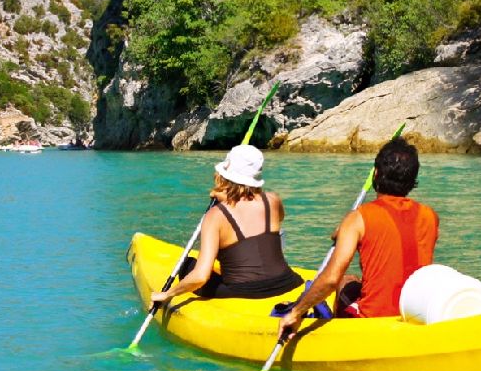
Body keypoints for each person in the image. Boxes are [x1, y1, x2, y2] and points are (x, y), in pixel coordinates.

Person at [279, 136, 438, 335]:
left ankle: (338, 335)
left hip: (373, 321)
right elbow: (397, 238)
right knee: (353, 279)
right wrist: (347, 230)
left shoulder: (359, 218)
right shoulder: (429, 216)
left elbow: (330, 279)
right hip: (416, 314)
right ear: (412, 180)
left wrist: (296, 312)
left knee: (344, 281)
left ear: (376, 174)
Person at [151, 144, 305, 303]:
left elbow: (200, 277)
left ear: (224, 176)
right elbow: (269, 220)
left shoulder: (215, 216)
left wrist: (167, 294)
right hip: (286, 281)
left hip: (246, 292)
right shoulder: (273, 200)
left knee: (188, 265)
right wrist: (226, 198)